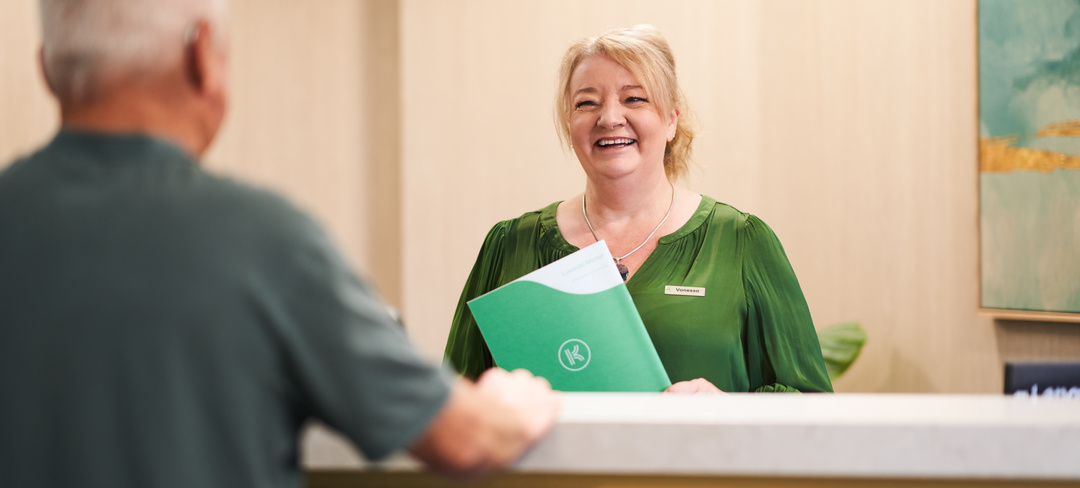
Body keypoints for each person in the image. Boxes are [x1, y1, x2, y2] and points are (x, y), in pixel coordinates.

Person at [0, 1, 560, 487]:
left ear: (48, 67)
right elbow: (463, 440)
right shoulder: (264, 241)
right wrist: (514, 401)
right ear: (201, 55)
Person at [444, 25, 833, 394]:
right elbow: (453, 401)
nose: (609, 118)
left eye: (634, 98)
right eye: (587, 102)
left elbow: (811, 402)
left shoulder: (742, 242)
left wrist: (730, 409)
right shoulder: (509, 245)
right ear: (569, 123)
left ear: (670, 121)